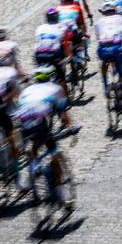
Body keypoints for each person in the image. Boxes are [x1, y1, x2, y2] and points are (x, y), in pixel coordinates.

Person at [14, 66, 74, 204]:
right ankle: (62, 196)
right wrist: (71, 128)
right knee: (55, 154)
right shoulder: (56, 88)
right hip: (40, 123)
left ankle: (34, 169)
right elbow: (63, 115)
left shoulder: (27, 90)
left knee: (34, 146)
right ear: (51, 77)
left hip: (23, 123)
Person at [95, 0, 122, 116]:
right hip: (117, 49)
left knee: (103, 62)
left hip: (103, 49)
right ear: (115, 10)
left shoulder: (98, 22)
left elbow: (98, 38)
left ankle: (105, 83)